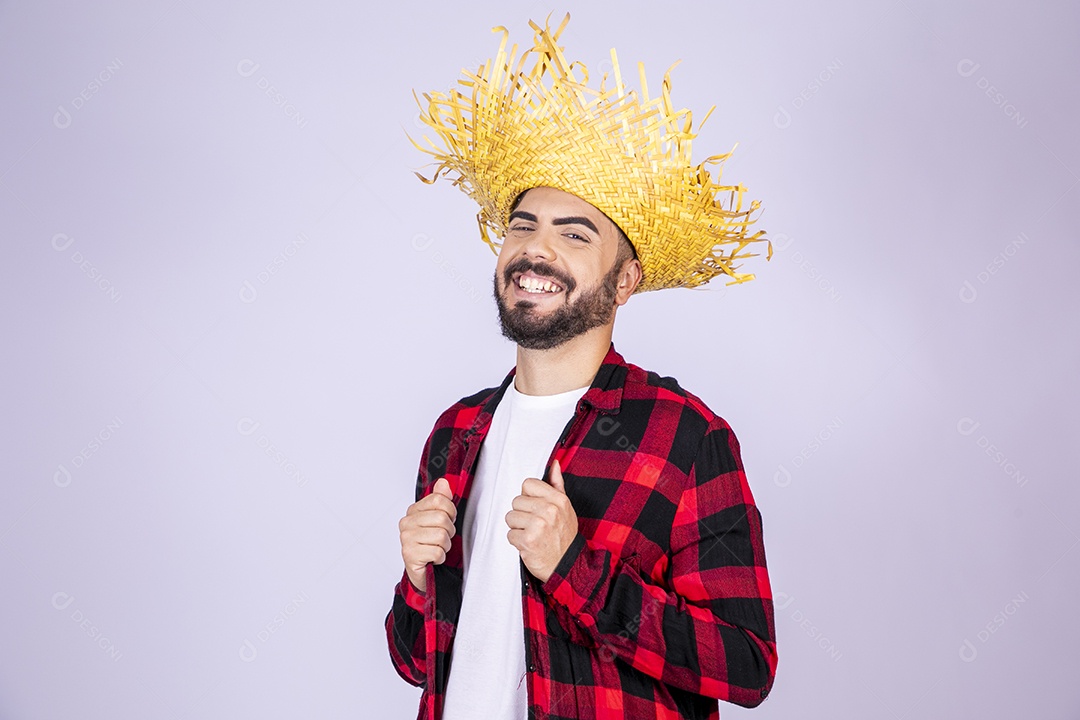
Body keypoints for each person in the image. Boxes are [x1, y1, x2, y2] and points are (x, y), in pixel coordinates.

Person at [386, 15, 777, 720]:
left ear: (624, 281)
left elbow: (747, 666)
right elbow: (418, 662)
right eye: (523, 225)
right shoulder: (457, 433)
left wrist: (577, 570)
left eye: (574, 234)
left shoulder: (684, 439)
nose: (537, 251)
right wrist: (416, 577)